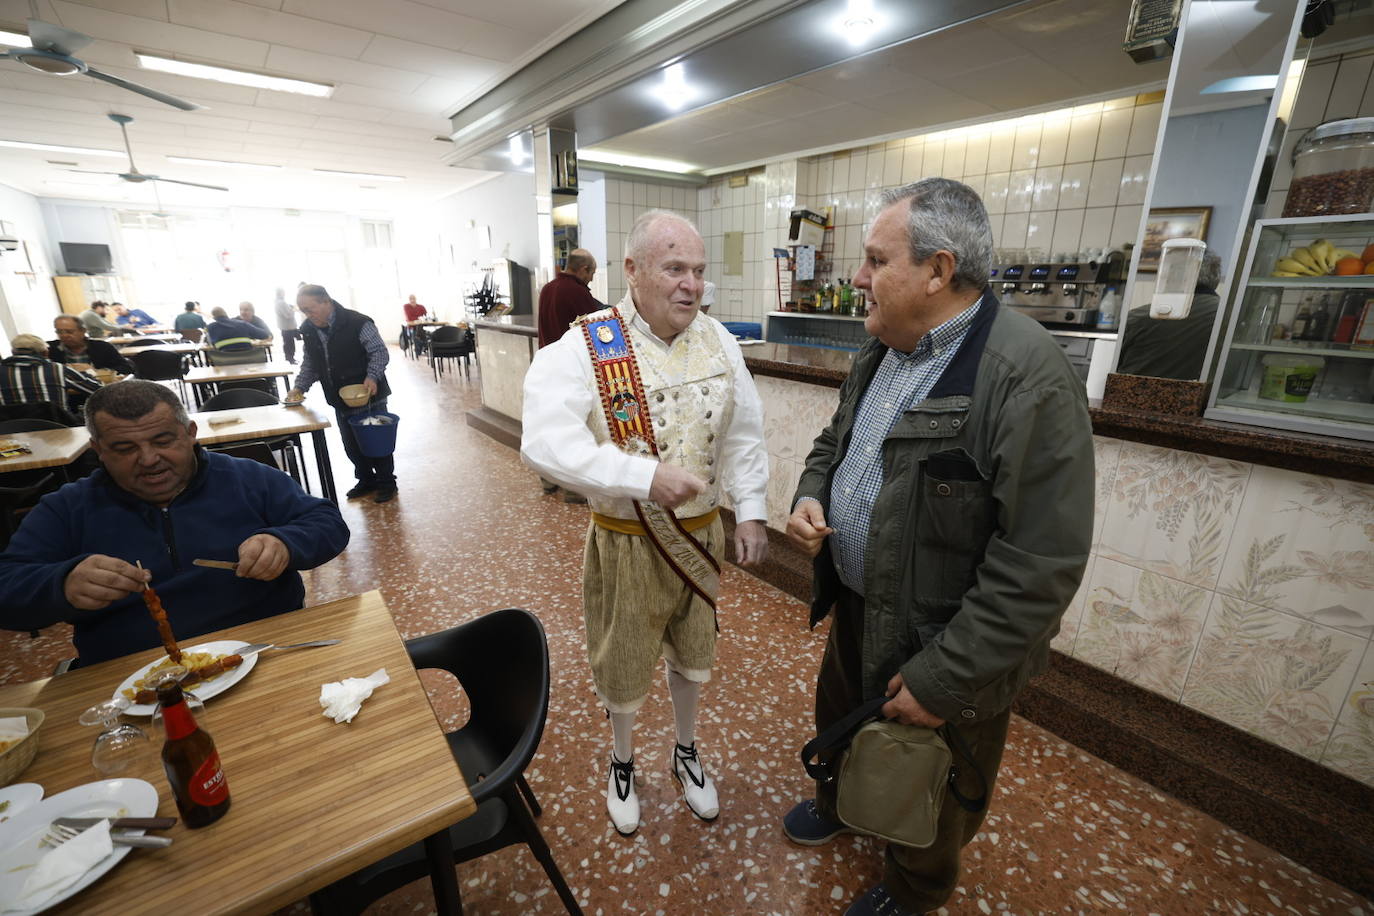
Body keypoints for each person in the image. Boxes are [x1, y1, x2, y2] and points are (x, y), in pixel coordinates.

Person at [782, 178, 1093, 916]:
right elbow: (837, 440)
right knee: (846, 713)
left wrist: (946, 678)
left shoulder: (1026, 378)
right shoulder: (883, 347)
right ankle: (842, 801)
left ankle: (916, 888)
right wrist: (812, 491)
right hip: (861, 602)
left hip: (943, 639)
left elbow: (1040, 563)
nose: (858, 277)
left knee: (934, 770)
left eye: (874, 259)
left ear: (938, 270)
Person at [521, 211, 769, 836]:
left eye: (699, 271)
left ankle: (686, 751)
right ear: (631, 271)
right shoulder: (586, 344)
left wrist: (755, 510)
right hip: (628, 541)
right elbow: (544, 443)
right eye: (674, 269)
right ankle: (623, 759)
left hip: (700, 535)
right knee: (624, 661)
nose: (692, 285)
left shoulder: (720, 340)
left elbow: (744, 432)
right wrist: (641, 478)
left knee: (692, 656)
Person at [0, 380, 349, 666]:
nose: (149, 460)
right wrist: (61, 584)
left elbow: (327, 523)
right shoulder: (68, 507)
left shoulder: (247, 478)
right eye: (124, 448)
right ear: (98, 450)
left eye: (163, 441)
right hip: (128, 673)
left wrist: (285, 543)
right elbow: (7, 591)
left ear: (190, 432)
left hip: (263, 650)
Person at [286, 285, 396, 504]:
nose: (307, 314)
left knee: (375, 441)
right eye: (303, 310)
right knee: (351, 444)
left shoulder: (358, 322)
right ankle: (366, 479)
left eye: (310, 308)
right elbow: (311, 362)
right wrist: (300, 387)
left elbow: (379, 352)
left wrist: (372, 376)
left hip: (367, 394)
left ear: (326, 301)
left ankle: (386, 483)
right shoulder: (308, 328)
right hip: (340, 397)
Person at [1114, 250, 1223, 380]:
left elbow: (1112, 367)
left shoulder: (1138, 317)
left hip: (1132, 396)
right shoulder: (1228, 316)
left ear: (1175, 276)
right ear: (1216, 278)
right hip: (1204, 398)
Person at [0, 333, 101, 414]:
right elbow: (97, 390)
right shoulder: (57, 369)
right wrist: (87, 374)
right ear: (45, 353)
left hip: (13, 432)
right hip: (61, 428)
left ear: (13, 352)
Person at [536, 249, 602, 348]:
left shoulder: (547, 288)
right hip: (570, 358)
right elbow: (594, 329)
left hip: (548, 356)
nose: (591, 279)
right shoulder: (578, 291)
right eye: (592, 273)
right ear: (584, 270)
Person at [48, 315, 134, 376]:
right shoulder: (50, 349)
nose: (64, 335)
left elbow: (126, 368)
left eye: (69, 332)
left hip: (99, 391)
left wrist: (97, 371)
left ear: (83, 331)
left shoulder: (102, 347)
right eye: (59, 332)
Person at [207, 306, 271, 351]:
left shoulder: (210, 327)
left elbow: (210, 343)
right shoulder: (242, 324)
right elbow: (264, 335)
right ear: (226, 314)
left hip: (225, 360)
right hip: (248, 357)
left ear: (213, 317)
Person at [274, 288, 300, 364]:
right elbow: (288, 315)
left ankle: (290, 358)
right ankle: (290, 359)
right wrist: (293, 309)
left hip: (286, 327)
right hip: (287, 327)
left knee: (288, 343)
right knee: (289, 344)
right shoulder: (281, 303)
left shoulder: (278, 302)